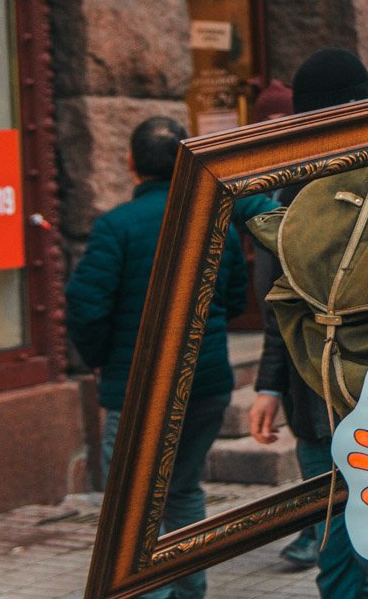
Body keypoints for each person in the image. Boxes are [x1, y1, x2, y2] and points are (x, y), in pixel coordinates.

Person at [66, 117, 247, 599]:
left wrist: (104, 359)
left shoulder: (115, 227)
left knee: (132, 509)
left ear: (130, 163)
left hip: (138, 388)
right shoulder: (215, 217)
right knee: (184, 490)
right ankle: (190, 590)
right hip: (205, 385)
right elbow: (234, 294)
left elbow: (86, 307)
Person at [250, 48, 368, 598]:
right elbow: (279, 301)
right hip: (331, 399)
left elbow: (273, 298)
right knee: (357, 553)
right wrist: (267, 382)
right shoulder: (300, 186)